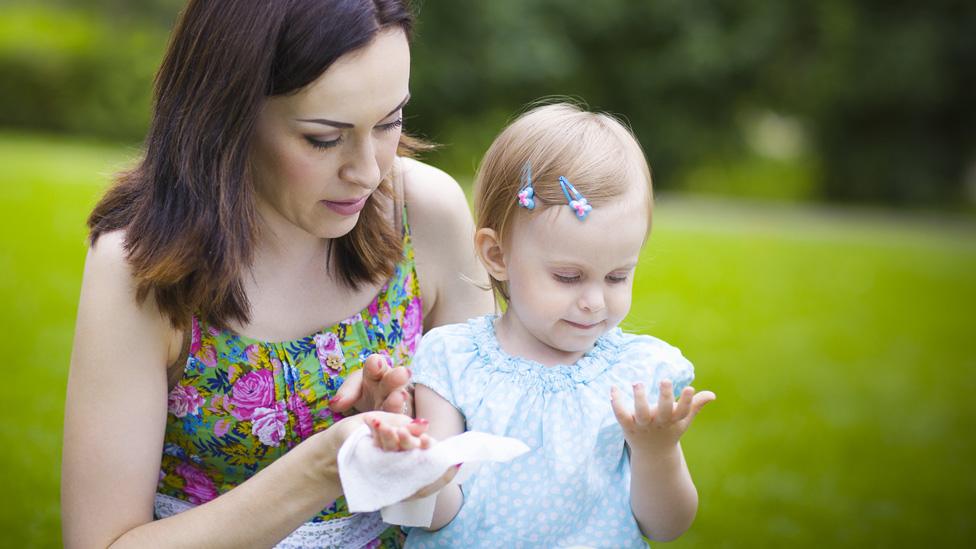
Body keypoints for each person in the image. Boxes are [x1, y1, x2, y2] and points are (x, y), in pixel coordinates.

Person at [60, 1, 493, 547]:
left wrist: (410, 443)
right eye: (323, 138)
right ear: (227, 114)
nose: (367, 170)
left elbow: (492, 483)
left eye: (390, 122)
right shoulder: (141, 266)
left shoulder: (425, 213)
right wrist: (325, 467)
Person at [407, 102, 717, 548]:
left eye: (617, 276)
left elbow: (666, 526)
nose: (594, 302)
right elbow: (437, 514)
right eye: (568, 277)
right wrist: (415, 469)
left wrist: (657, 451)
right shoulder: (452, 361)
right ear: (497, 256)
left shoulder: (633, 374)